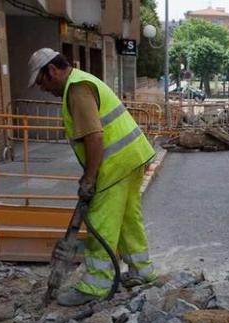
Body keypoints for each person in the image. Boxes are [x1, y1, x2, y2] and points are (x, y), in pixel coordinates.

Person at [27, 47, 157, 306]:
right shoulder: (83, 80)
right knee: (128, 219)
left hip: (115, 165)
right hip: (133, 157)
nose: (43, 89)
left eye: (42, 81)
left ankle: (96, 285)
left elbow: (94, 137)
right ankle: (142, 272)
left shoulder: (76, 89)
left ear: (52, 70)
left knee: (100, 222)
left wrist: (89, 178)